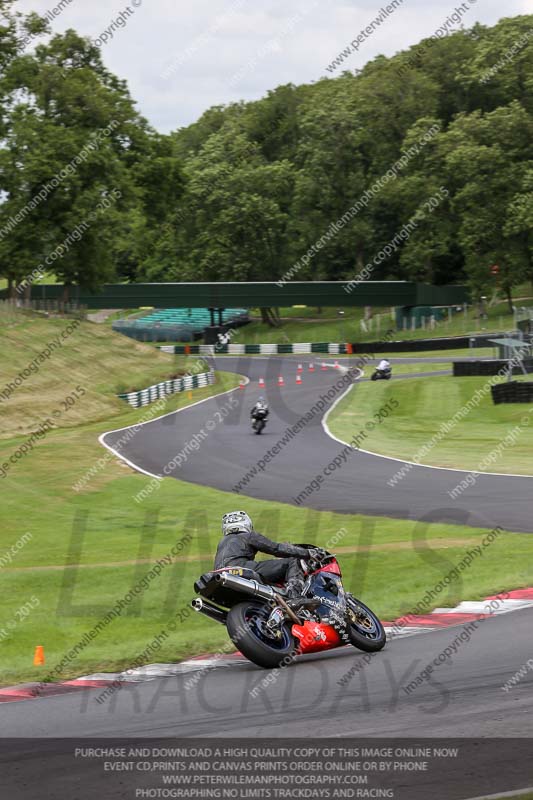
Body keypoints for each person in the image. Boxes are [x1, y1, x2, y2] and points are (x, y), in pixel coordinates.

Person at [214, 511, 316, 598]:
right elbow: (276, 548)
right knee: (293, 561)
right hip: (241, 568)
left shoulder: (222, 542)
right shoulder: (248, 535)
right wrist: (308, 553)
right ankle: (295, 595)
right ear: (247, 523)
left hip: (218, 576)